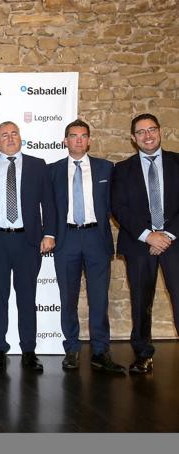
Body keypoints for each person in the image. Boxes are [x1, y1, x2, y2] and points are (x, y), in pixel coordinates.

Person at [0, 121, 55, 372]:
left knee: (27, 297)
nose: (9, 138)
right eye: (4, 135)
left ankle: (29, 350)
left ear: (20, 137)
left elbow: (49, 203)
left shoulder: (37, 165)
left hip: (28, 241)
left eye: (14, 134)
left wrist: (49, 233)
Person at [49, 120, 125, 373]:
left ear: (89, 140)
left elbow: (118, 204)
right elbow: (46, 209)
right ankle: (71, 348)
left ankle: (100, 351)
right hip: (66, 239)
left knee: (99, 299)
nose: (79, 140)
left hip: (96, 239)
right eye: (73, 136)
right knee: (68, 298)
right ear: (65, 141)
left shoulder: (106, 168)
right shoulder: (53, 171)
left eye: (83, 136)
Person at [112, 113, 179, 374]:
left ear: (160, 132)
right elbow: (119, 207)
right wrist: (149, 235)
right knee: (141, 301)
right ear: (133, 138)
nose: (147, 135)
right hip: (139, 244)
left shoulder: (177, 162)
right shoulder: (122, 169)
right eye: (141, 132)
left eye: (152, 130)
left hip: (175, 242)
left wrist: (166, 236)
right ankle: (143, 353)